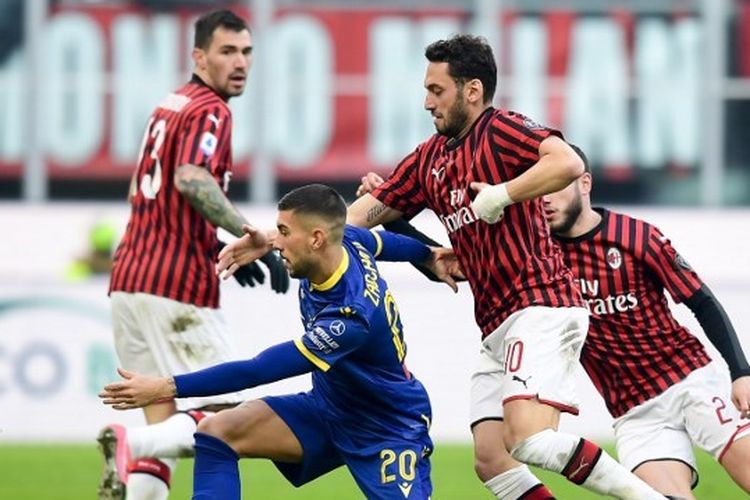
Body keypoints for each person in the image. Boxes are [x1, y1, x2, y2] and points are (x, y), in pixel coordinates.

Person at [348, 34, 665, 499]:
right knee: (492, 461)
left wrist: (503, 193)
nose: (426, 102)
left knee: (530, 439)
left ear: (471, 91)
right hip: (497, 323)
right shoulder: (429, 159)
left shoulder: (501, 129)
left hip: (542, 304)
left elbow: (568, 162)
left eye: (437, 90)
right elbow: (356, 220)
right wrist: (281, 237)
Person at [100, 184, 454, 499]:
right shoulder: (347, 240)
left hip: (387, 425)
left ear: (316, 238)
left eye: (283, 232)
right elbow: (389, 243)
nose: (276, 242)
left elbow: (260, 369)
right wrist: (429, 256)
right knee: (216, 432)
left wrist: (165, 386)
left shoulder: (350, 318)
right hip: (329, 408)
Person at [100, 10, 289, 500]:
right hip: (175, 287)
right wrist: (252, 236)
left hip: (129, 281)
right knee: (230, 416)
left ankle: (137, 452)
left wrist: (214, 243)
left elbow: (156, 192)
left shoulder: (171, 103)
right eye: (228, 52)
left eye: (247, 52)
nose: (241, 62)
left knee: (165, 427)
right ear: (198, 57)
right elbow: (189, 177)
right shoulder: (211, 110)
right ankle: (129, 442)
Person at [543, 145, 750, 498]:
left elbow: (702, 302)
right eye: (538, 189)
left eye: (556, 185)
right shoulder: (539, 257)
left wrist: (741, 372)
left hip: (691, 380)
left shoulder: (636, 236)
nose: (544, 199)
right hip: (636, 412)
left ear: (585, 183)